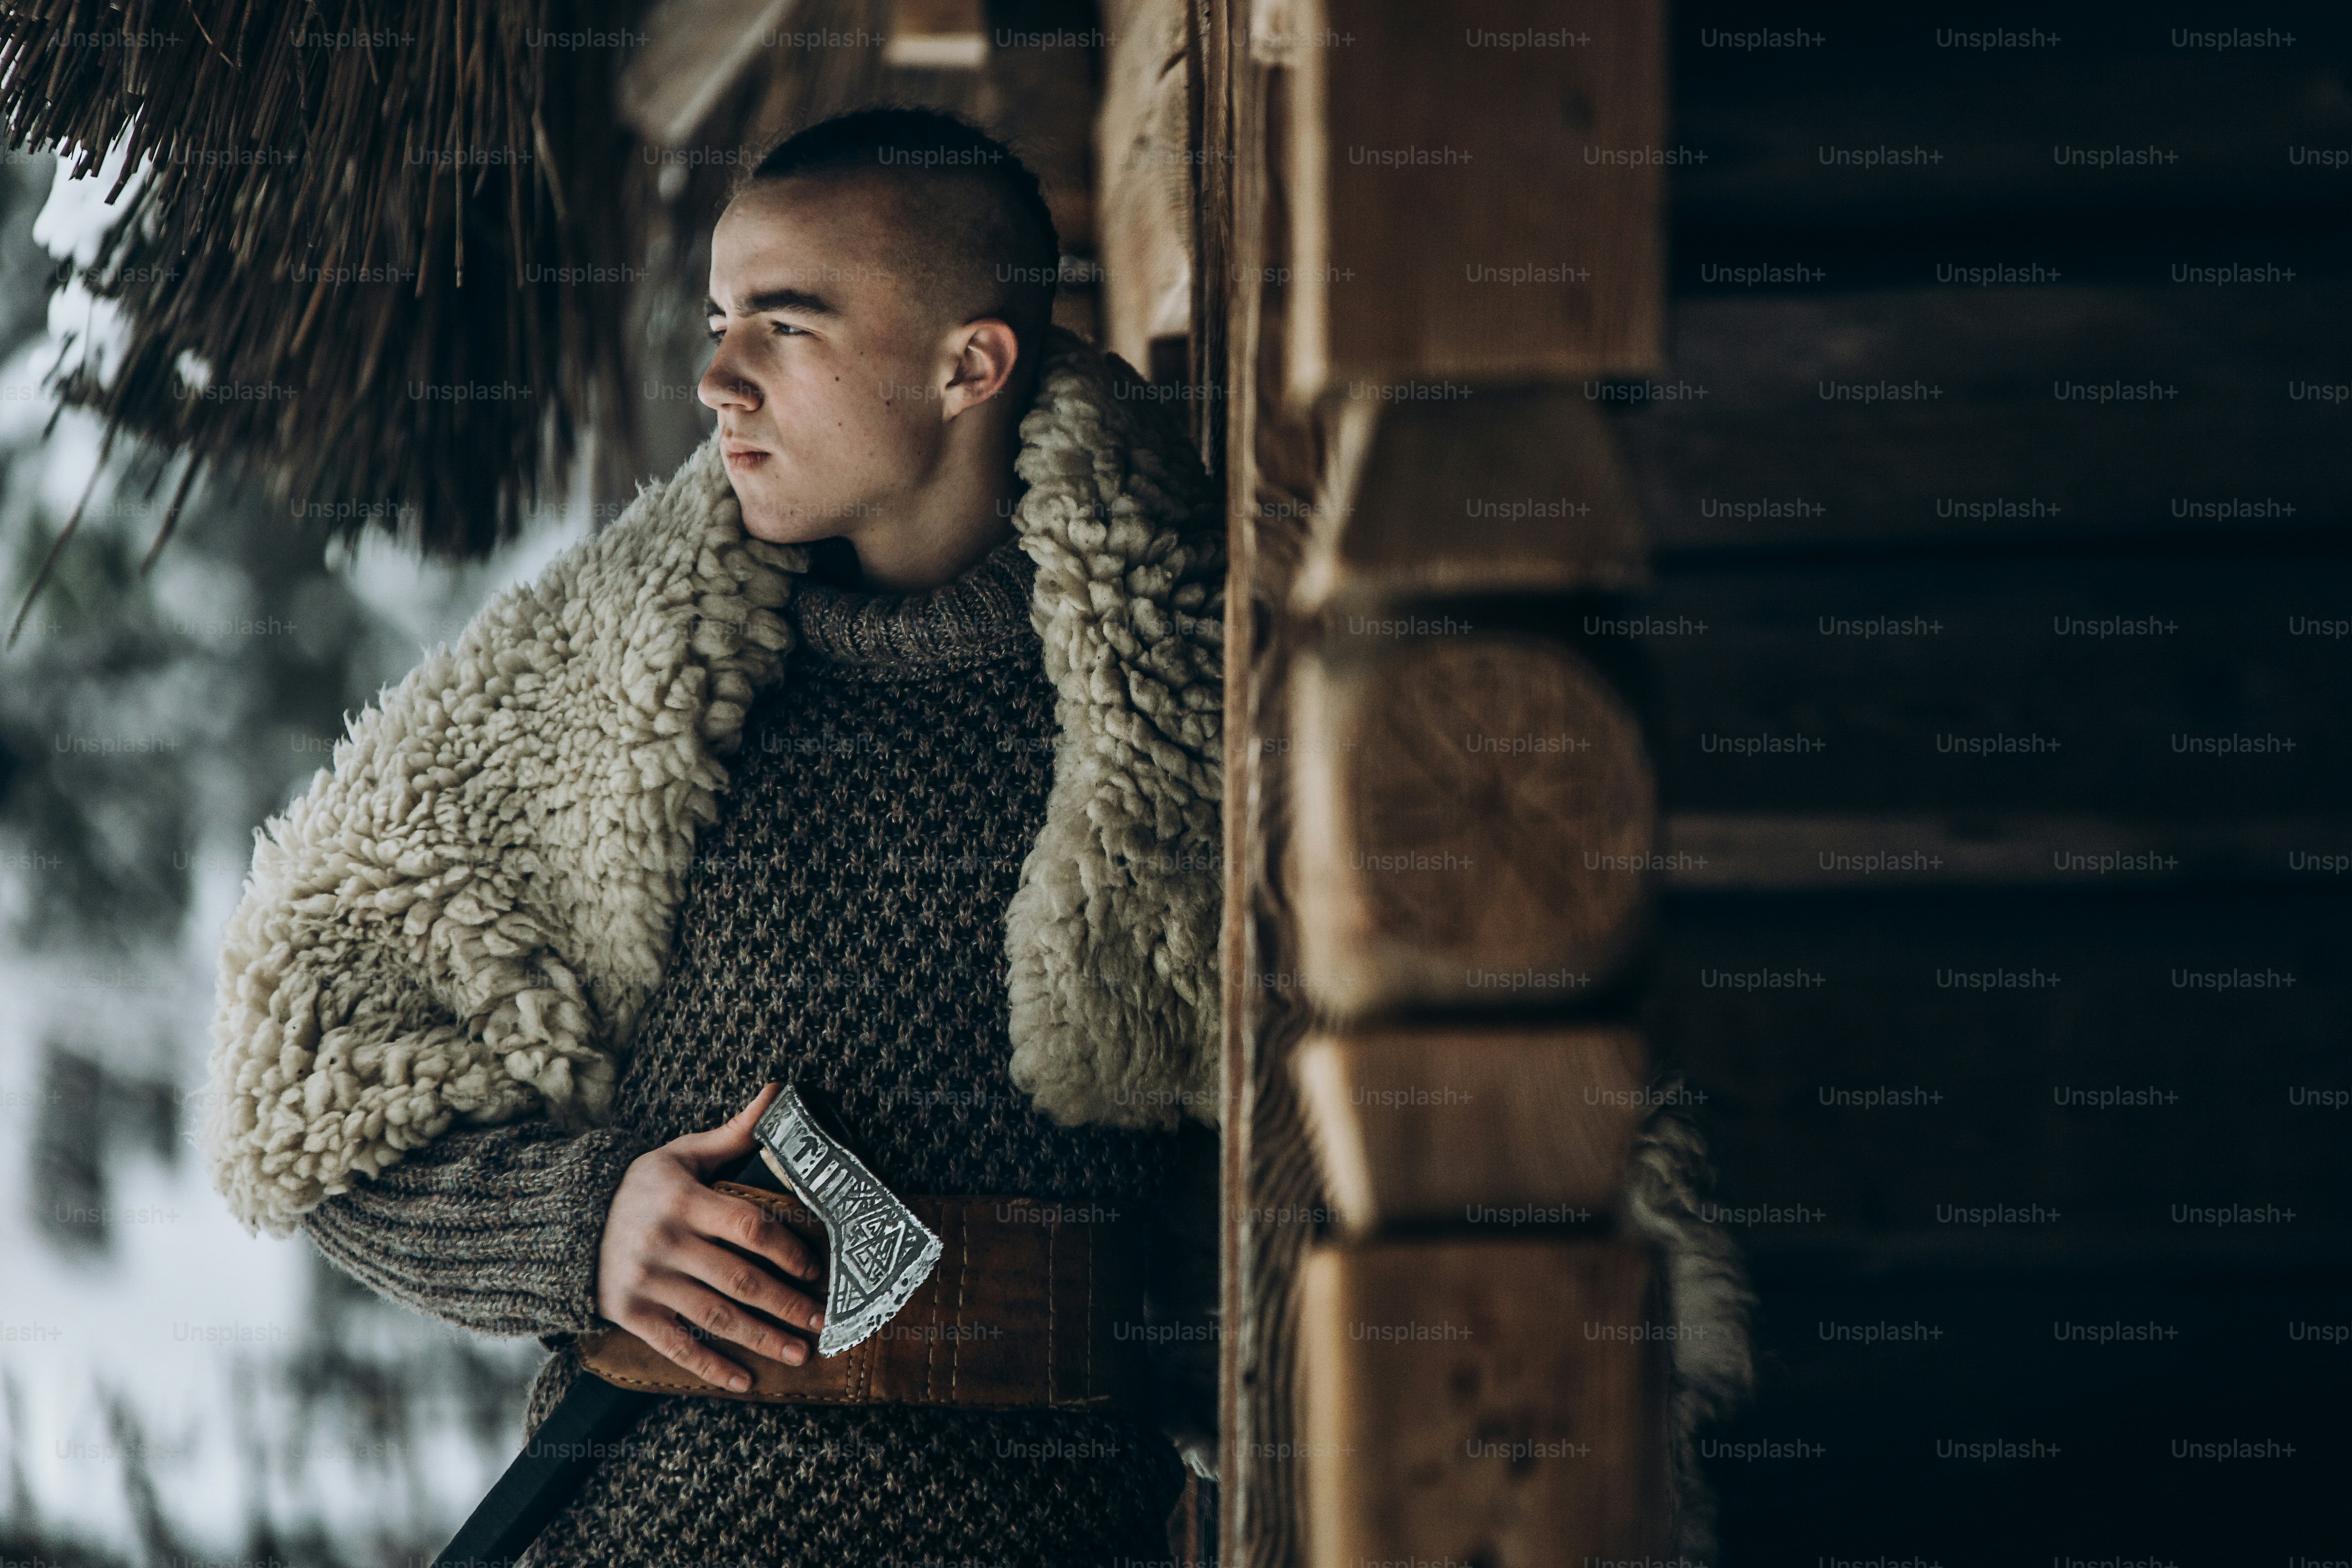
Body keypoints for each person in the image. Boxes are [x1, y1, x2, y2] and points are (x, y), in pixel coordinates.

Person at [201, 106, 1226, 1566]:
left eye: (785, 327)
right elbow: (307, 1087)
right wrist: (582, 1226)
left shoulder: (1192, 700)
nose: (717, 377)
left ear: (968, 365)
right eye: (716, 320)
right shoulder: (601, 693)